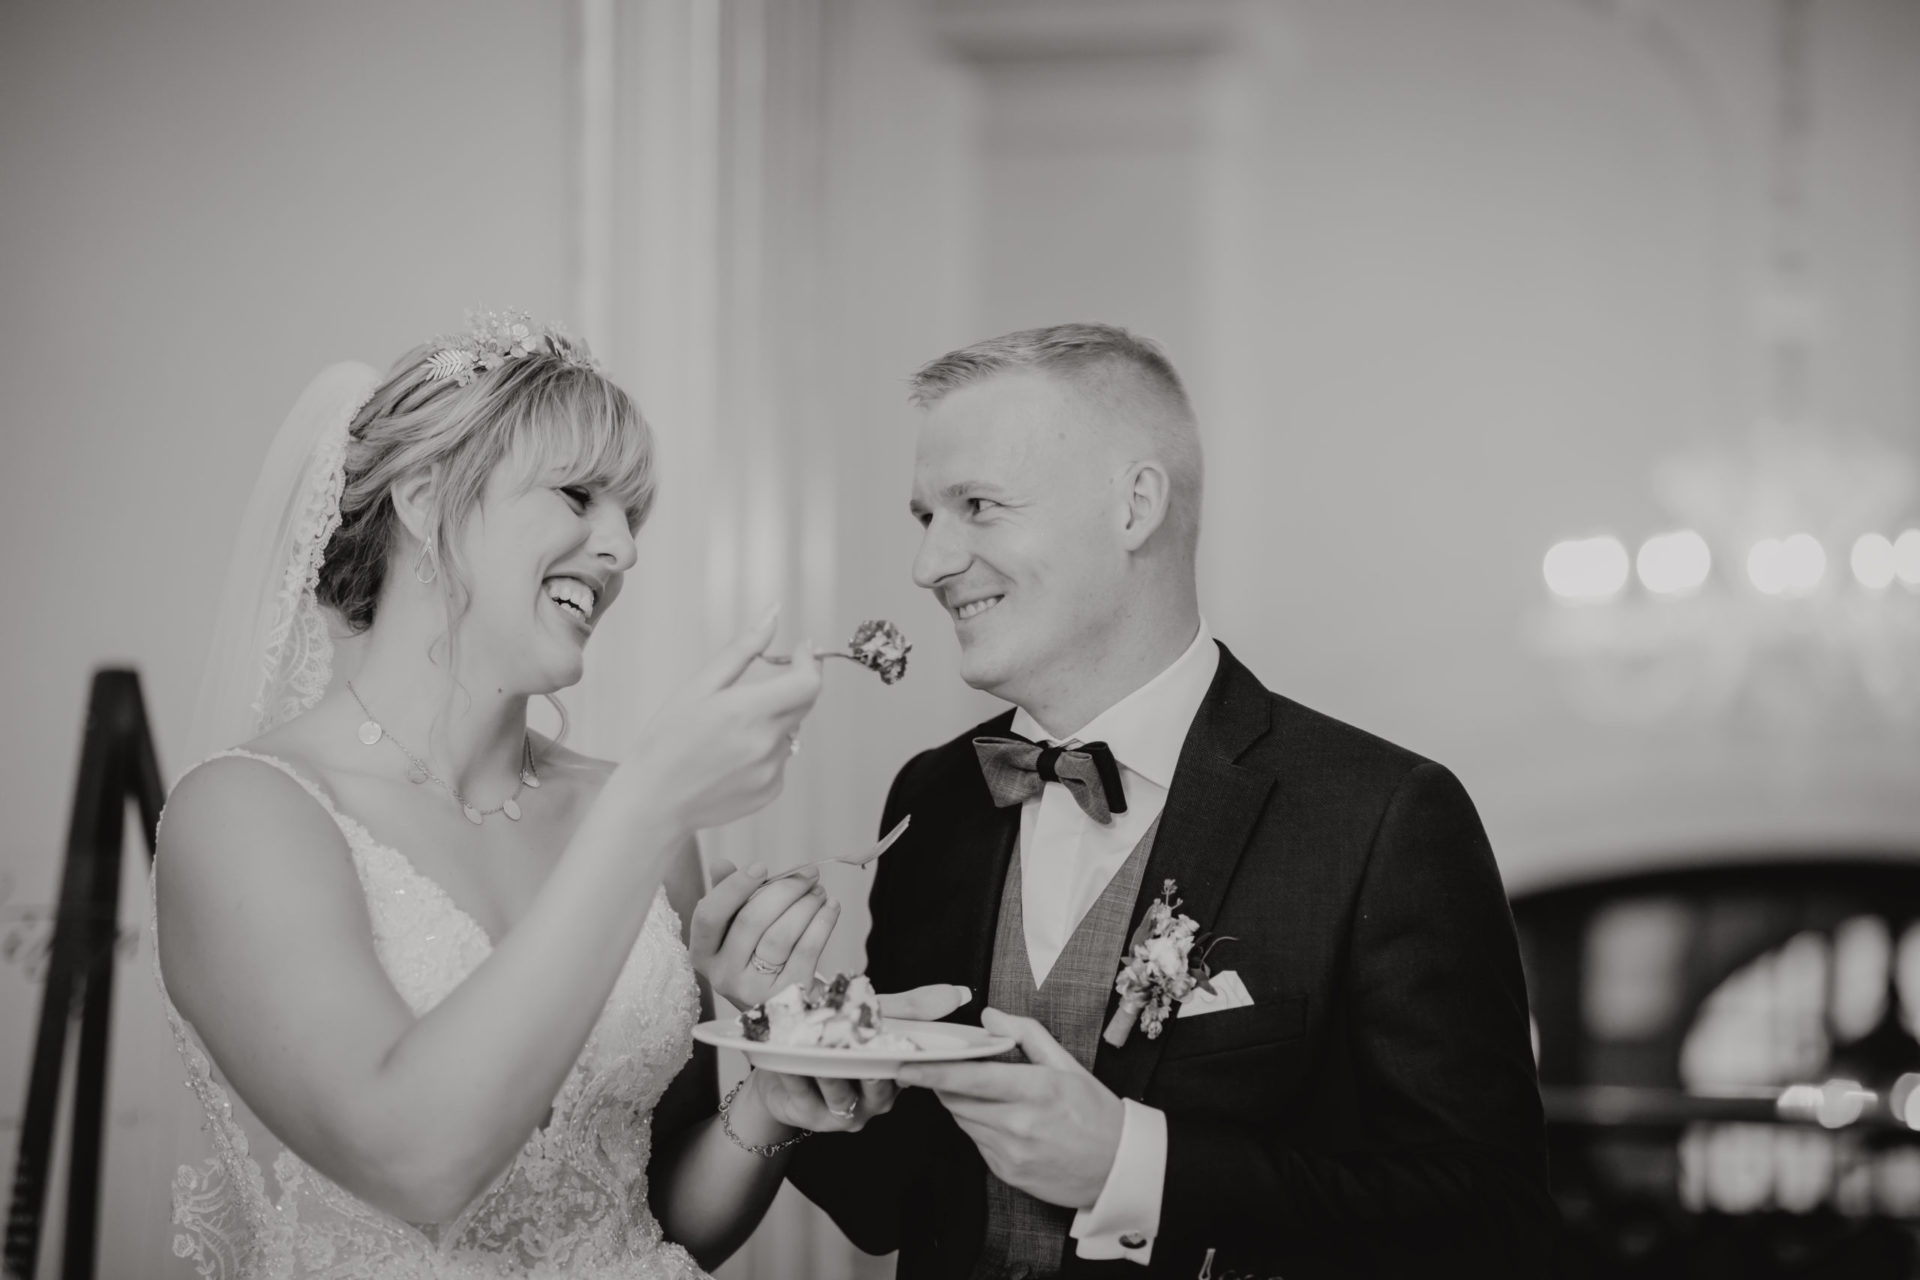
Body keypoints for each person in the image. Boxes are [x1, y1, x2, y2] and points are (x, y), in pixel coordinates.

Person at [736, 323, 1556, 1277]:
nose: (930, 564)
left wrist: (1140, 1169)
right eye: (926, 518)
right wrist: (787, 1020)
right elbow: (889, 1203)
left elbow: (1492, 1225)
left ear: (1134, 506)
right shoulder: (934, 799)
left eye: (979, 506)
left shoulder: (1384, 817)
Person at [150, 312, 934, 1278]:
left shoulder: (631, 812)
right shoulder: (245, 815)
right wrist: (650, 804)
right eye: (579, 497)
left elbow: (653, 1225)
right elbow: (414, 1161)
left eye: (632, 517)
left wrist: (770, 1102)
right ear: (426, 497)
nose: (622, 549)